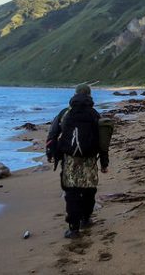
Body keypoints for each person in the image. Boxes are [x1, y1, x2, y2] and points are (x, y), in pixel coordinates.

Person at [46, 84, 109, 238]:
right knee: (89, 189)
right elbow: (103, 142)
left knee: (71, 192)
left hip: (70, 159)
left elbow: (52, 134)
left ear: (74, 94)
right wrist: (104, 163)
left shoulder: (65, 113)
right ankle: (86, 219)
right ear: (90, 96)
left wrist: (50, 153)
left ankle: (73, 228)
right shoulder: (95, 114)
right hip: (89, 159)